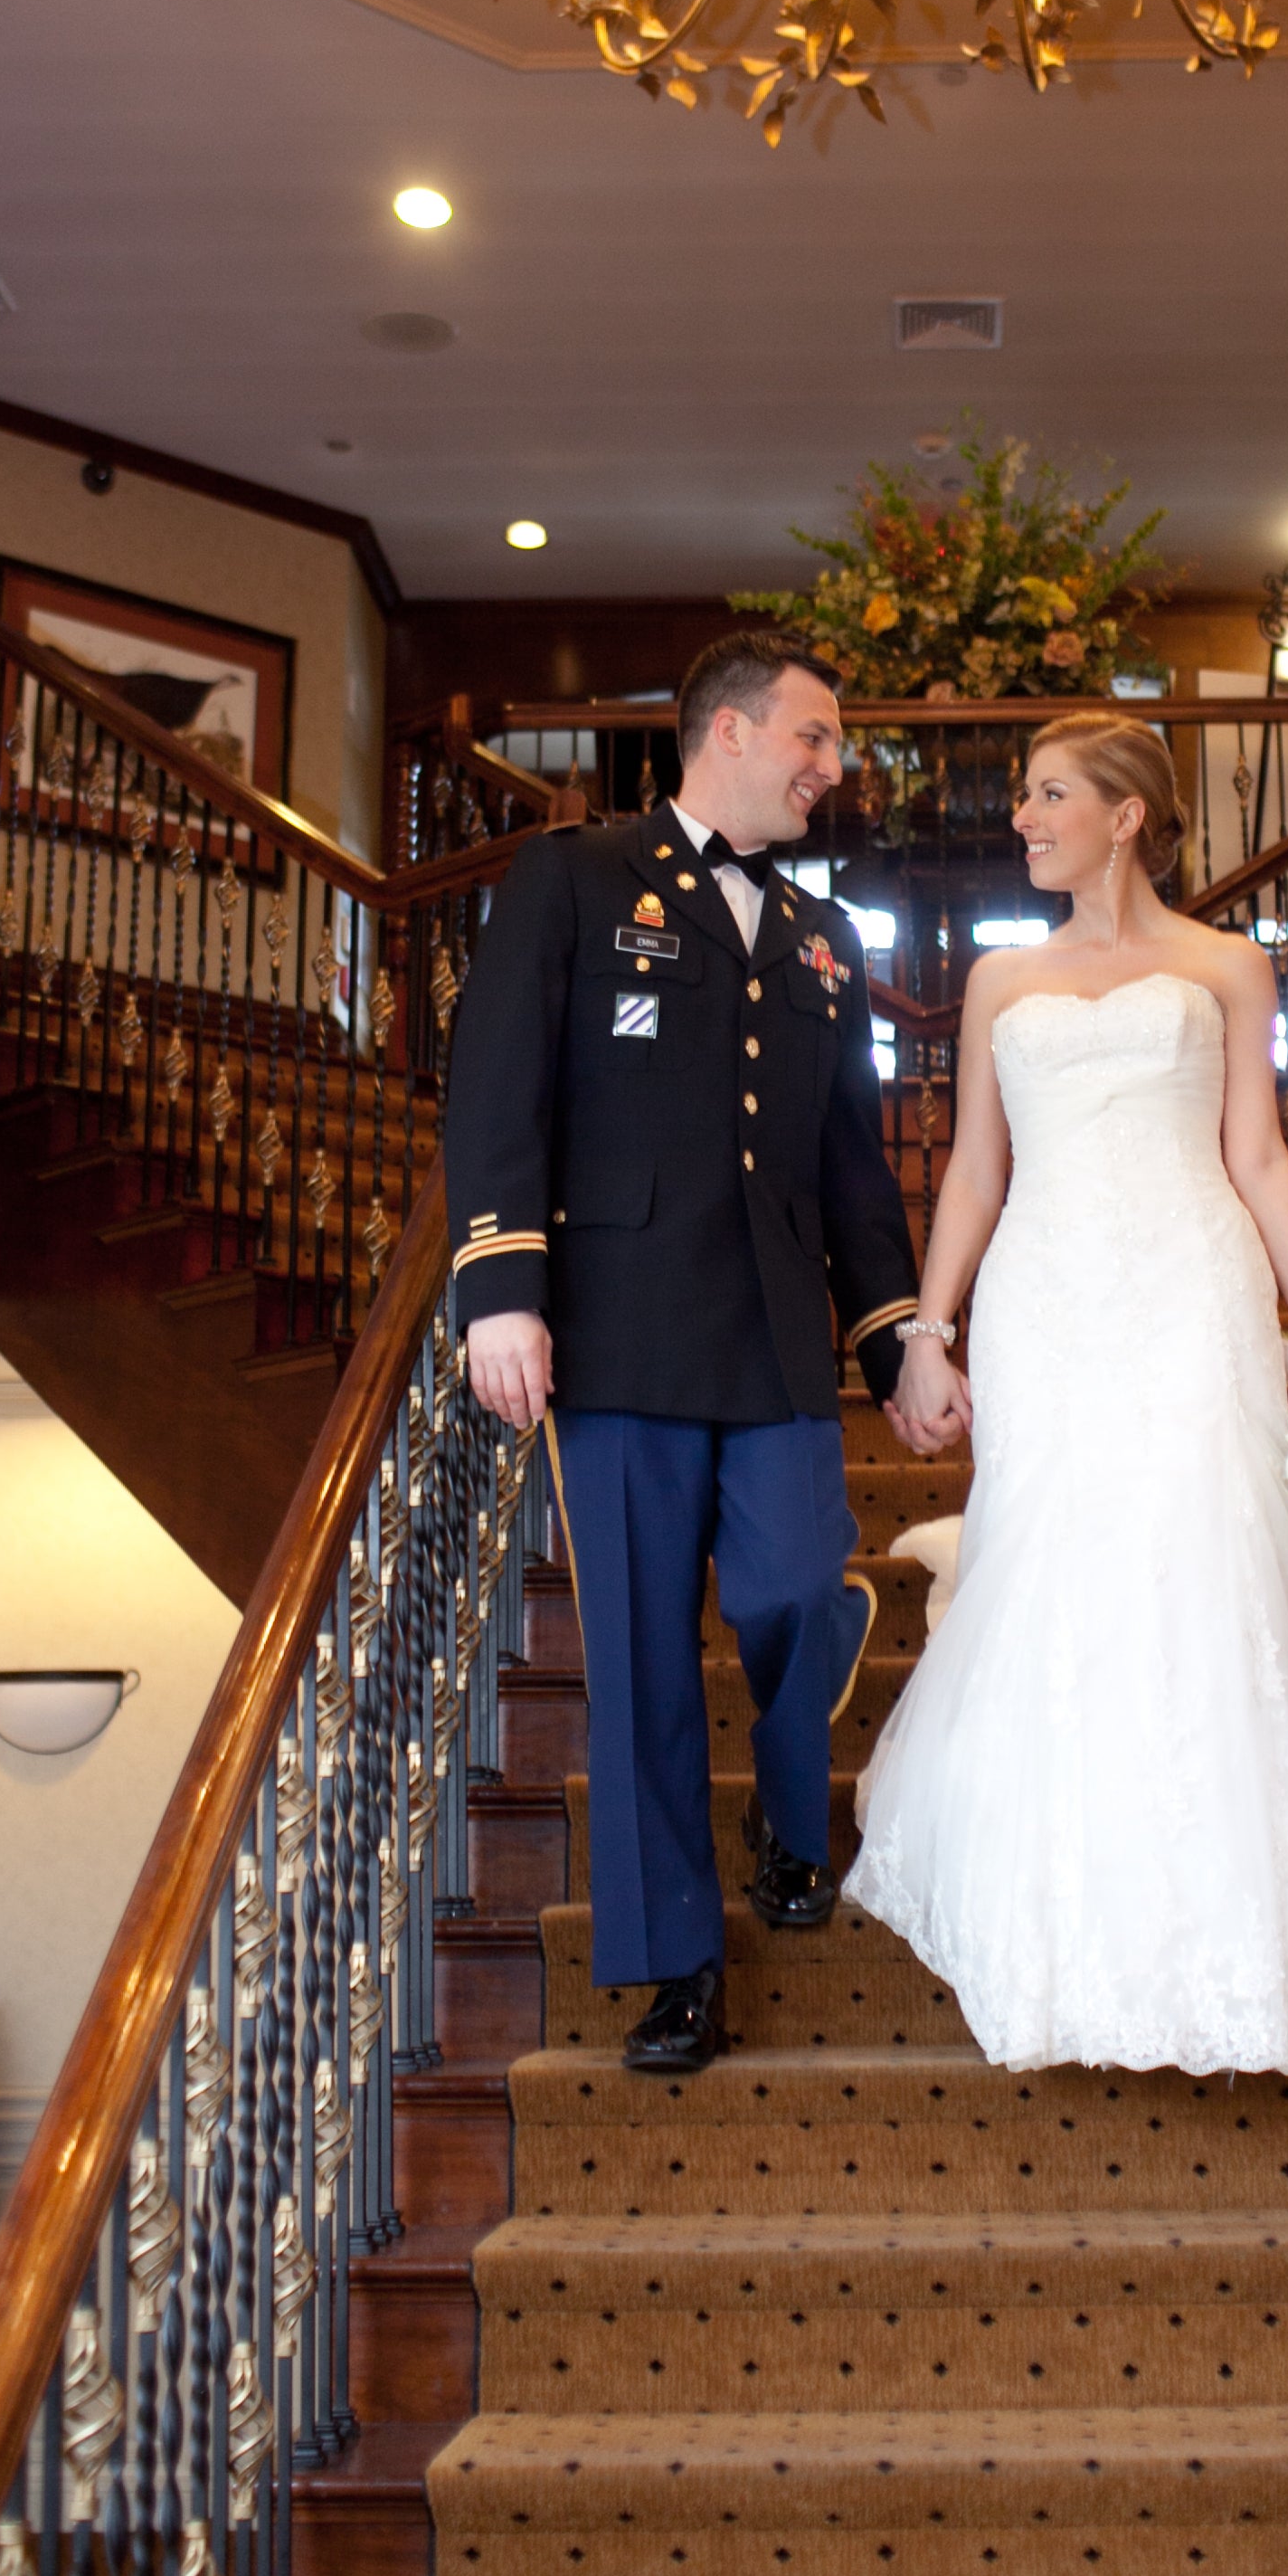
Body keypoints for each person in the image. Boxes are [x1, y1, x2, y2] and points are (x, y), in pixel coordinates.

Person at [844, 710, 1288, 2076]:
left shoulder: (1226, 965)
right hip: (1044, 1302)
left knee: (1207, 1565)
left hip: (1189, 1290)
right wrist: (930, 1332)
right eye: (1026, 796)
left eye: (1048, 795)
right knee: (1061, 1564)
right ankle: (1060, 1932)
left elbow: (1261, 1160)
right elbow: (973, 1169)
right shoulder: (996, 980)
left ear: (1125, 812)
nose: (1024, 818)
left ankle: (1245, 1936)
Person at [447, 633, 924, 2079]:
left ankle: (789, 1815)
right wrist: (500, 1288)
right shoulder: (576, 876)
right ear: (727, 729)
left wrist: (893, 1333)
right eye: (816, 736)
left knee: (795, 1582)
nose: (832, 767)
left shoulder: (825, 937)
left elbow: (851, 1163)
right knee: (642, 1662)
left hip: (779, 1333)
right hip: (618, 1330)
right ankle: (674, 1963)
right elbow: (497, 1084)